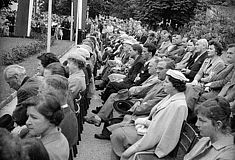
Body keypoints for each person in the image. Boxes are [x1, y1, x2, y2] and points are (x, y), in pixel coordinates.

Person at [110, 69, 189, 160]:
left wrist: (133, 149)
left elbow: (165, 132)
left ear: (175, 86)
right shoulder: (171, 97)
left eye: (166, 82)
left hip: (155, 140)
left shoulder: (179, 106)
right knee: (116, 132)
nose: (163, 84)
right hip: (151, 131)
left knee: (117, 135)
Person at [23, 94, 69, 160]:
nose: (27, 122)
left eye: (34, 118)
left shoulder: (44, 153)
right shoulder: (59, 135)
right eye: (28, 116)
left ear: (52, 120)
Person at [40, 75, 78, 148]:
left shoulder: (58, 119)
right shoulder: (67, 112)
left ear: (50, 96)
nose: (38, 94)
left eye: (41, 92)